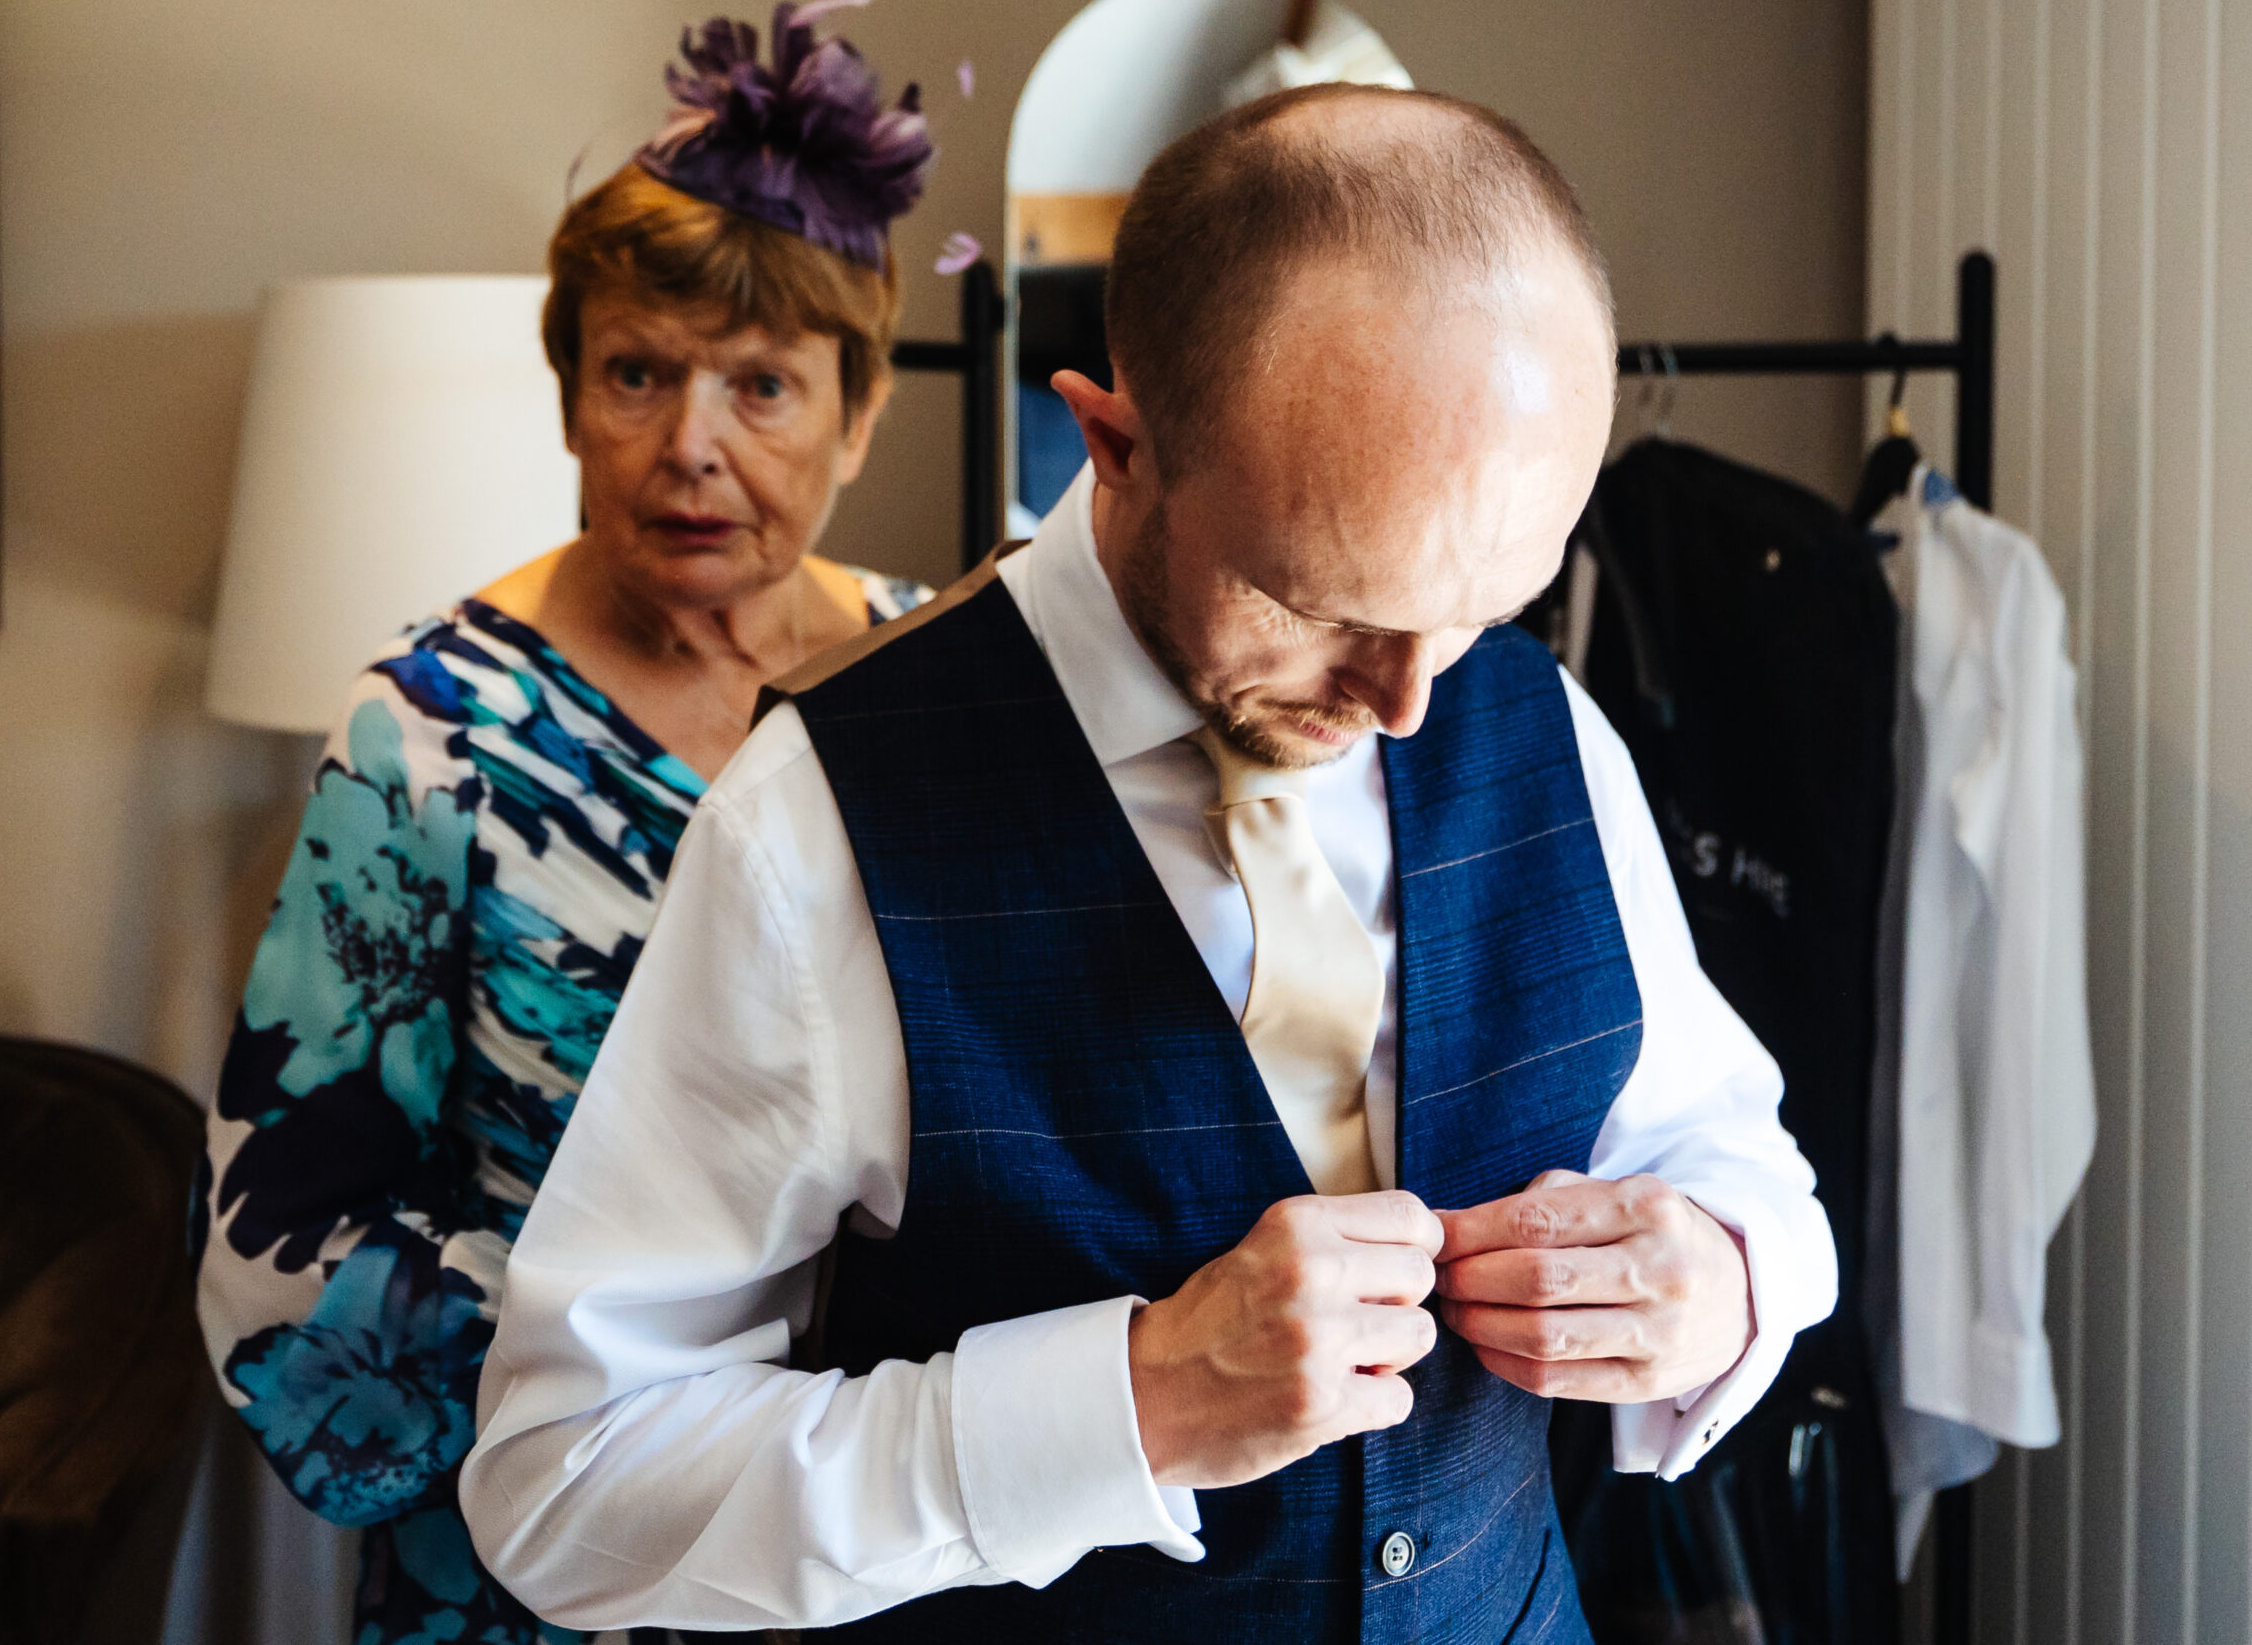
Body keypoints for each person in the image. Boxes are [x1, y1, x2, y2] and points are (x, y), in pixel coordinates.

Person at [462, 85, 1840, 1642]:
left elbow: (1733, 1154)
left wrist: (1726, 1280)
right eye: (1321, 601)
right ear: (1115, 444)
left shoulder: (1540, 726)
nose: (1406, 700)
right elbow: (565, 1485)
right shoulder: (819, 825)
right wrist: (1125, 1404)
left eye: (1485, 606)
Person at [192, 0, 936, 1645]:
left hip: (888, 1541)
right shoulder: (429, 731)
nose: (692, 447)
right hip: (540, 1564)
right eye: (638, 373)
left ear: (861, 412)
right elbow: (284, 1255)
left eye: (763, 385)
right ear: (568, 397)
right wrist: (649, 1412)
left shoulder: (938, 689)